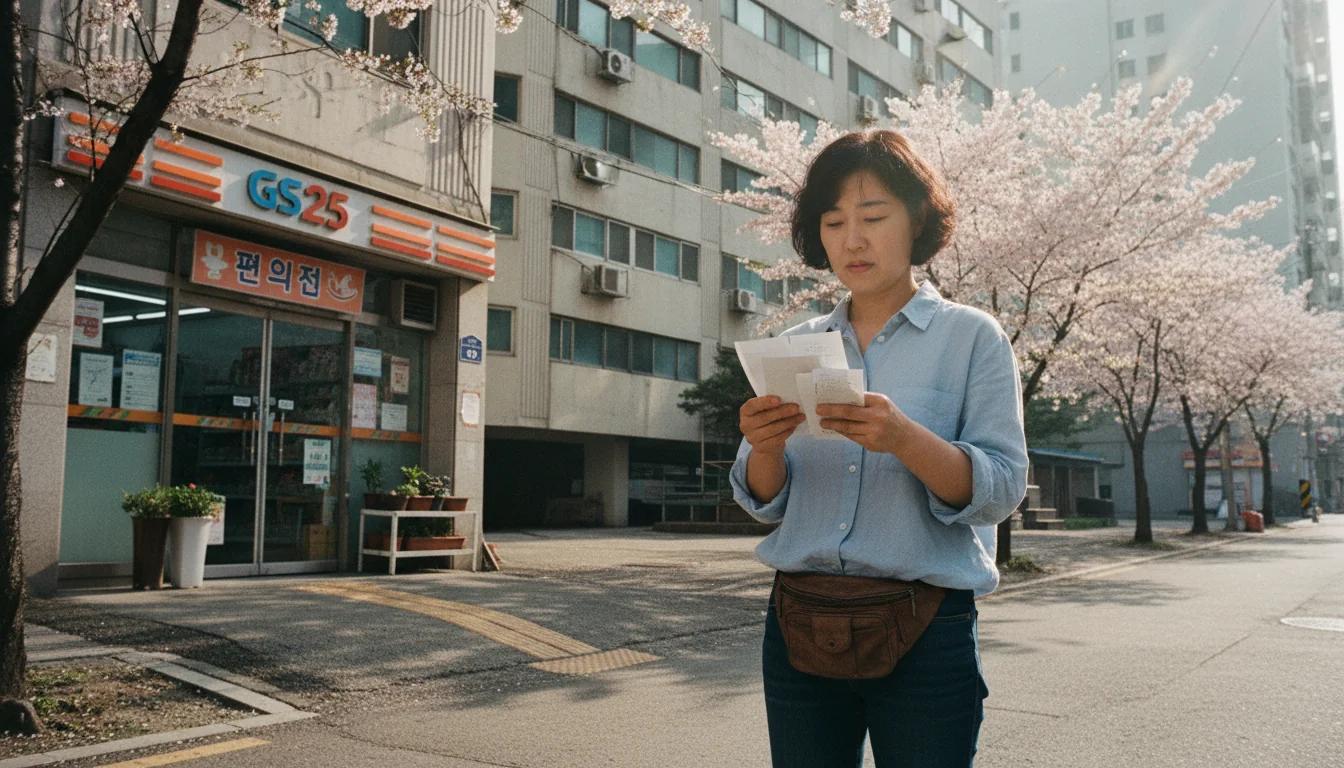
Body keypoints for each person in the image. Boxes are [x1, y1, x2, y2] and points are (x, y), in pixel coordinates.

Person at [730, 129, 1028, 767]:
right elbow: (763, 500)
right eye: (833, 222)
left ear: (916, 219)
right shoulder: (800, 342)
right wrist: (763, 447)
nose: (852, 240)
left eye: (872, 217)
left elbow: (1000, 490)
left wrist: (903, 439)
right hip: (798, 618)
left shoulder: (972, 336)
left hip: (926, 625)